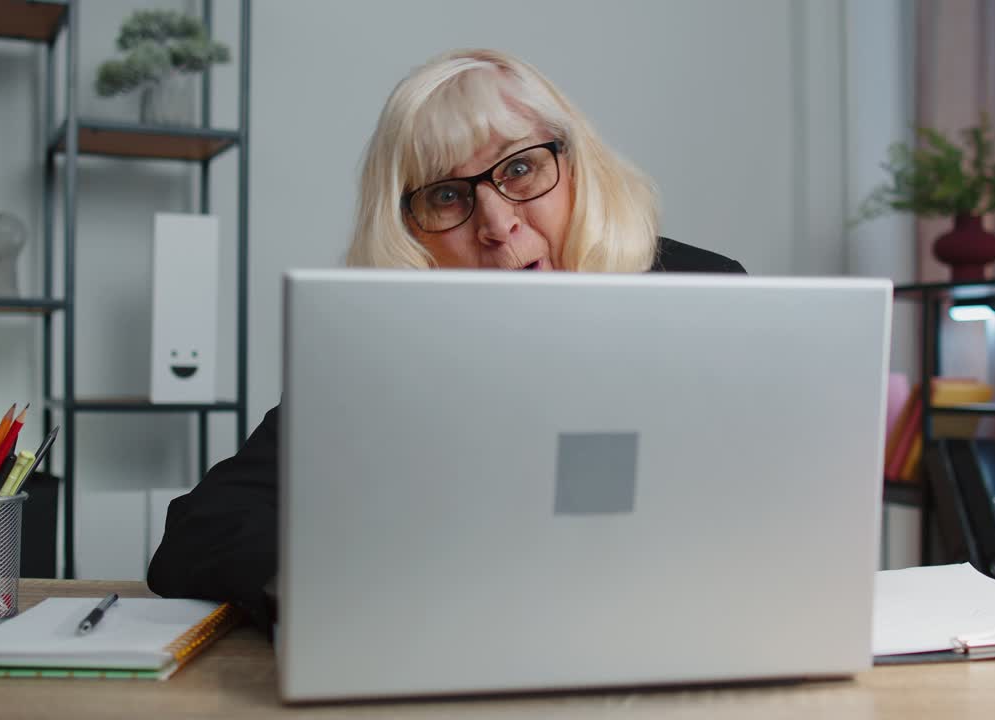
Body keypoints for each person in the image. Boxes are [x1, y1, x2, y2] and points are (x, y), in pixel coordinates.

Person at [147, 49, 745, 630]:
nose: (497, 223)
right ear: (410, 231)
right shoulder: (381, 356)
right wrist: (336, 589)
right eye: (448, 196)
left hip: (684, 630)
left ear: (578, 166)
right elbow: (201, 529)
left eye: (519, 168)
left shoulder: (708, 292)